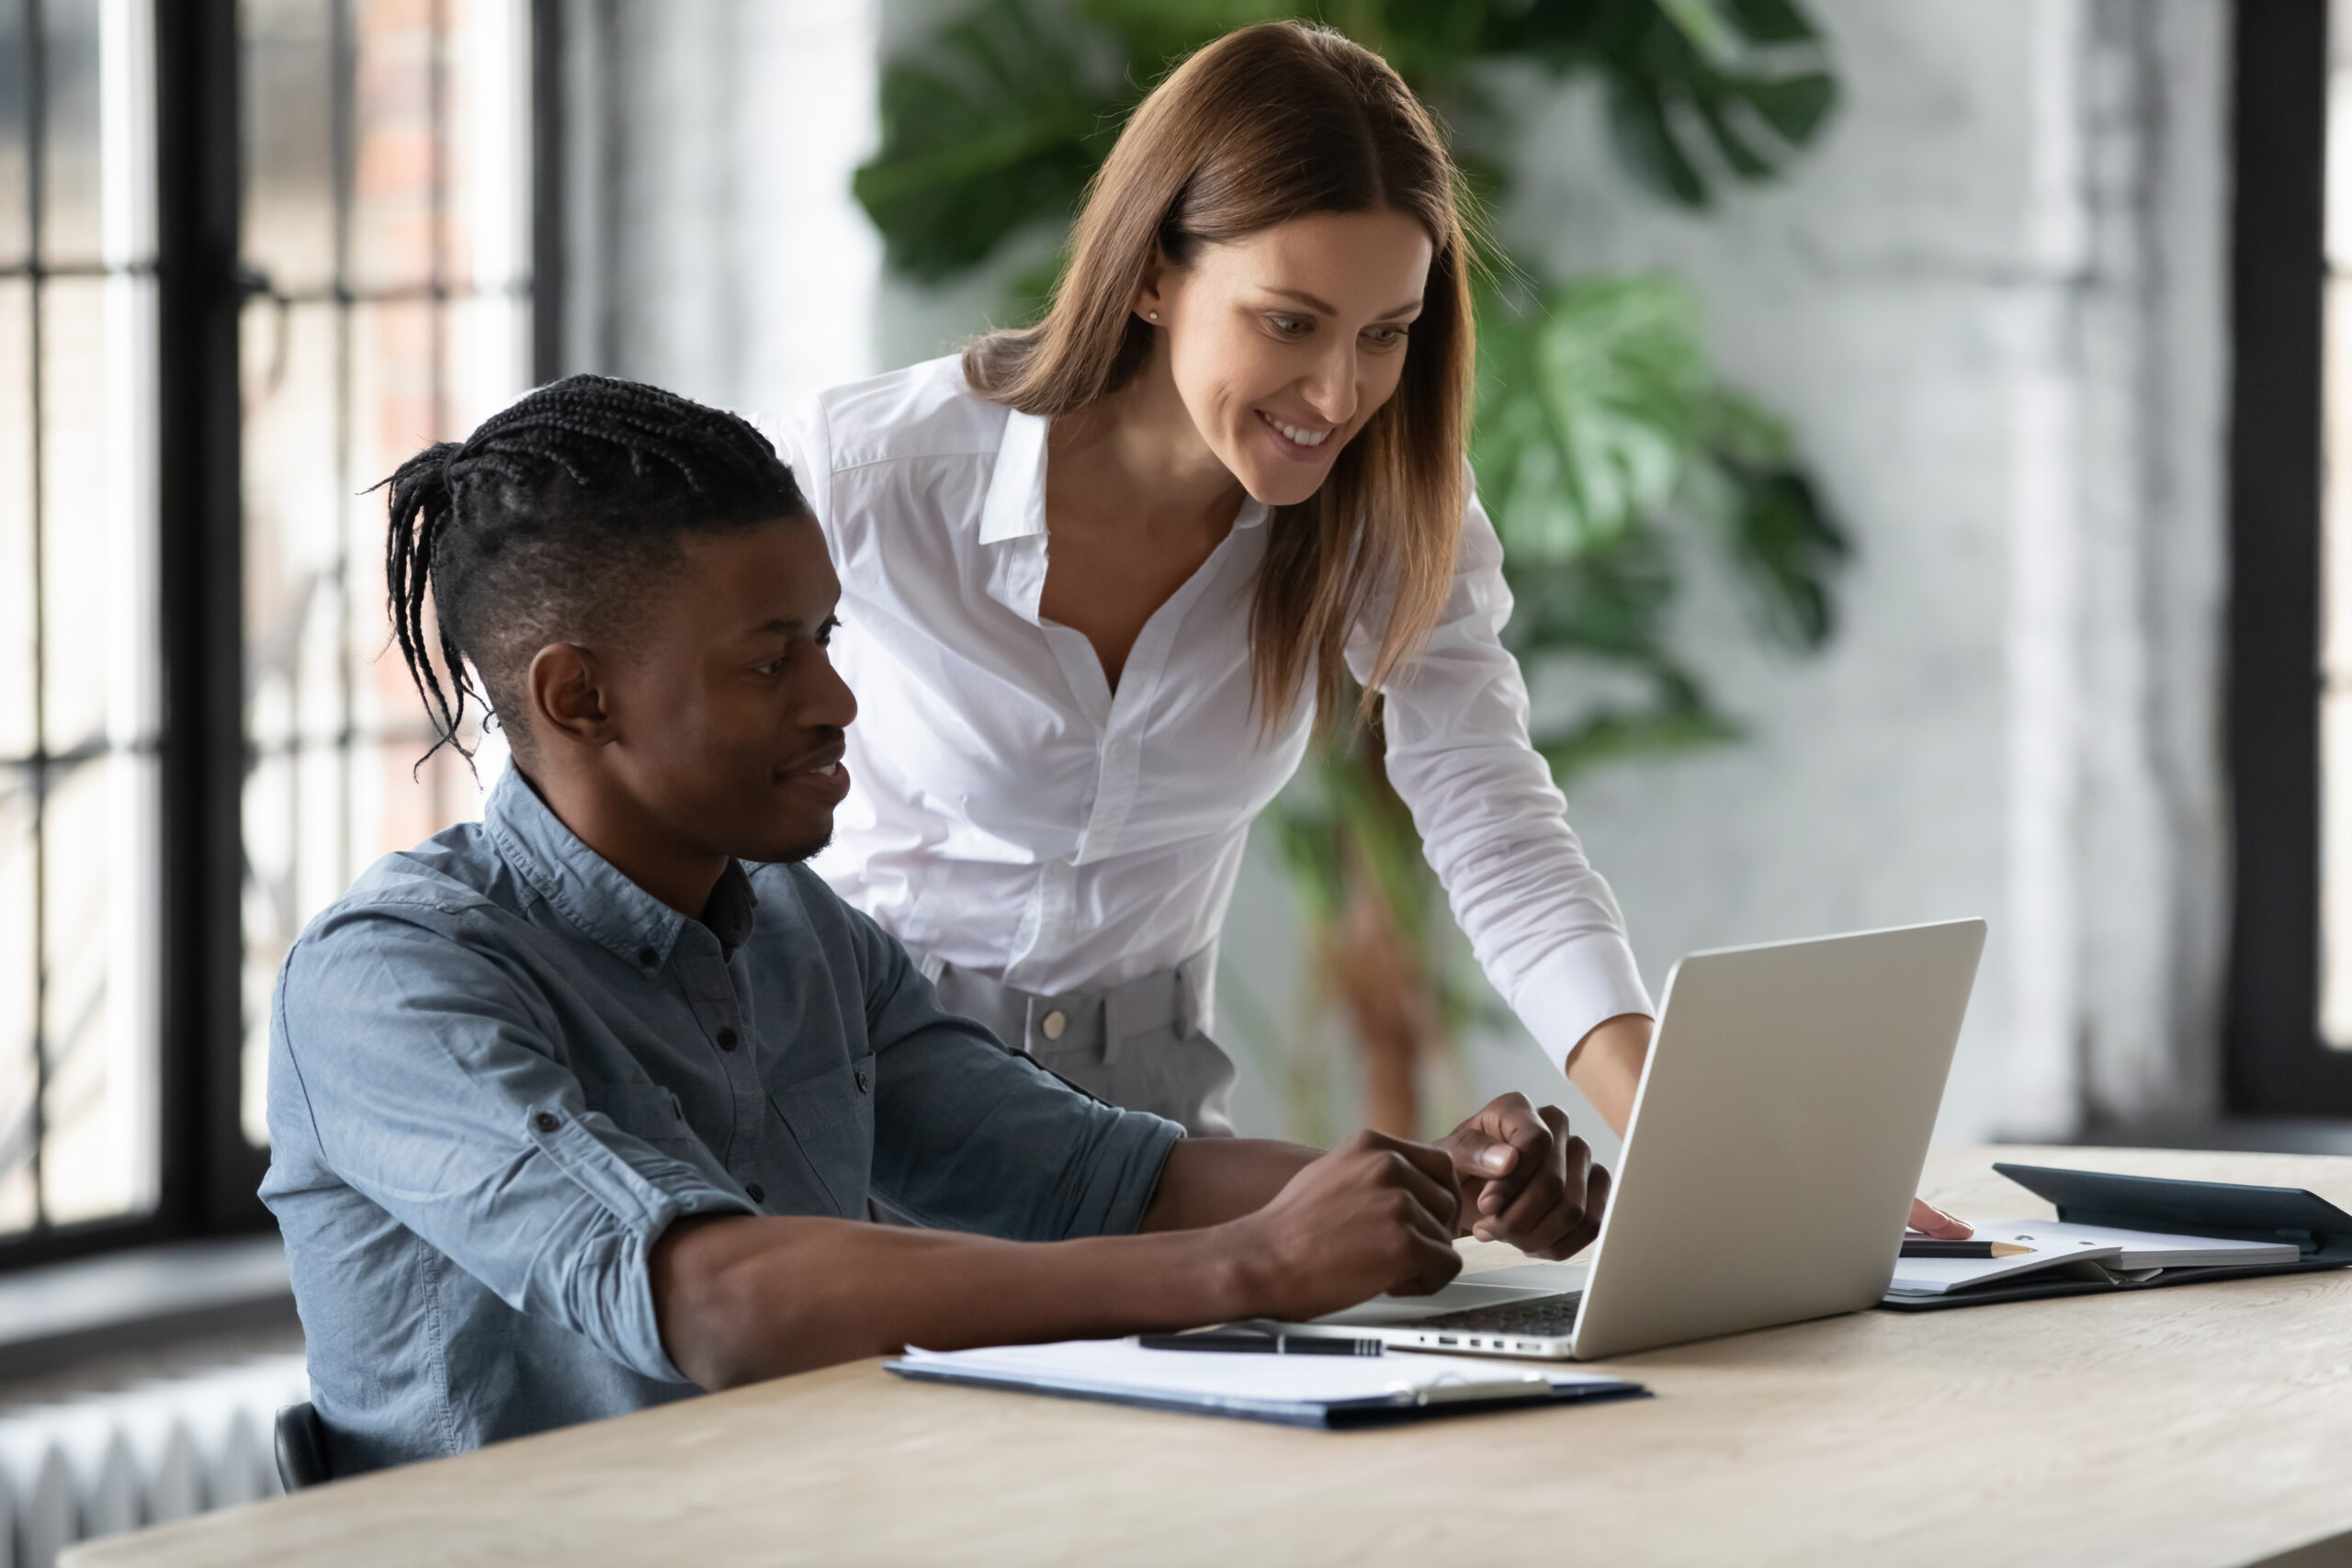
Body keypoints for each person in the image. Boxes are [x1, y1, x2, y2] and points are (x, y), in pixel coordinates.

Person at [259, 375, 1609, 1475]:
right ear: (577, 698)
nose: (838, 700)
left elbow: (1096, 1177)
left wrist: (1439, 1188)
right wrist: (1255, 1261)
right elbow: (716, 1302)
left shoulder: (800, 933)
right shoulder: (390, 981)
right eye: (771, 659)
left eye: (830, 638)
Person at [796, 21, 1967, 1238]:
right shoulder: (868, 476)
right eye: (1289, 323)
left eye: (1386, 334)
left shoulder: (1384, 505)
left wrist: (1708, 1151)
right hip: (857, 1118)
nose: (1338, 396)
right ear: (1151, 273)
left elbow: (1495, 825)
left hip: (1155, 1165)